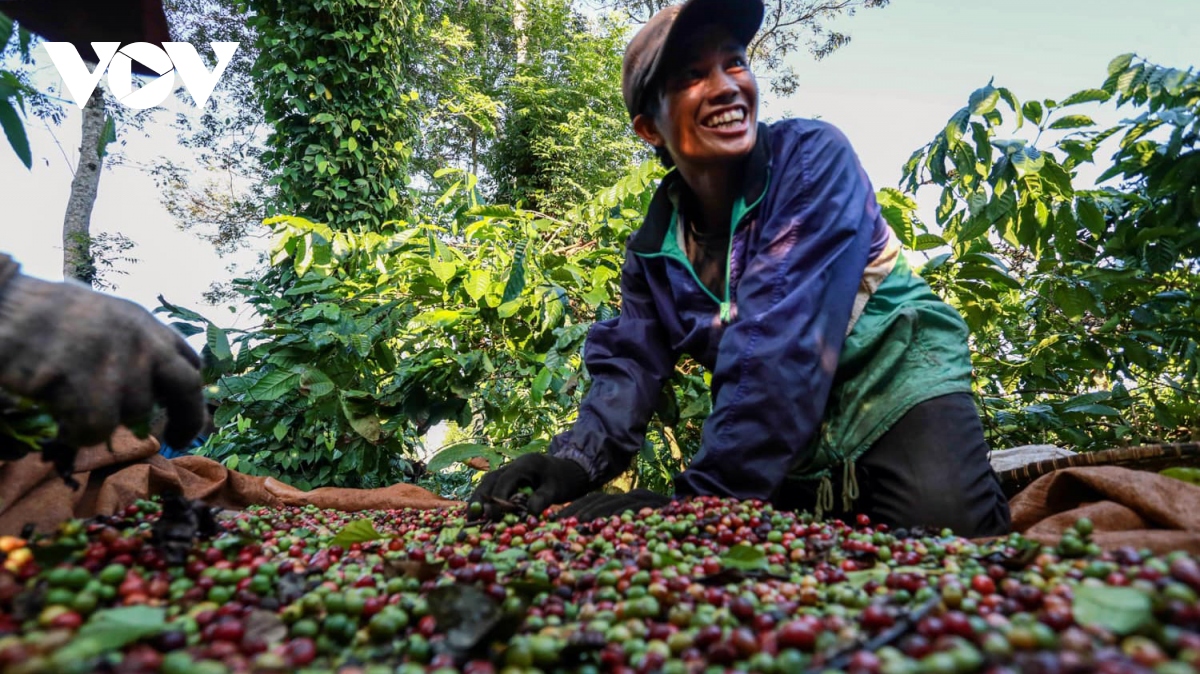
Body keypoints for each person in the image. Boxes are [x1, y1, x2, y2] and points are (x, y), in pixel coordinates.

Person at [468, 0, 1011, 537]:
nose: (726, 86)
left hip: (894, 381)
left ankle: (977, 476)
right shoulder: (656, 249)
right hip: (791, 435)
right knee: (779, 552)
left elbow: (779, 342)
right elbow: (631, 367)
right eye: (692, 76)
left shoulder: (813, 161)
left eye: (734, 63)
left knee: (948, 536)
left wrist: (697, 503)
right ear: (649, 129)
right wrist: (570, 465)